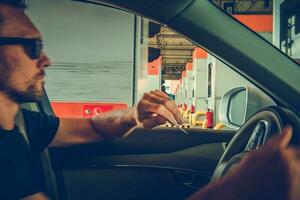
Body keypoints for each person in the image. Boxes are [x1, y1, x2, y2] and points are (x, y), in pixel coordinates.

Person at [0, 1, 300, 200]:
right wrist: (234, 192)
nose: (46, 59)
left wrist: (133, 115)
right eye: (32, 46)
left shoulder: (24, 124)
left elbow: (94, 128)